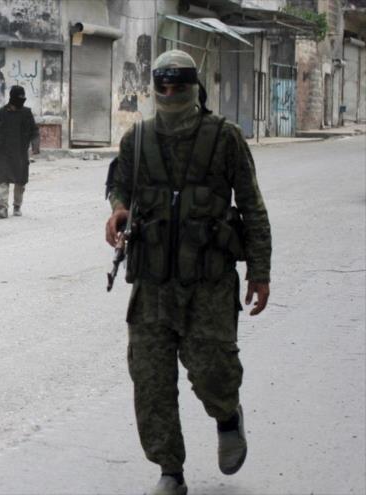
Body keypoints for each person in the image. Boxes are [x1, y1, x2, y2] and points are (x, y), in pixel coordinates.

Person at [104, 50, 272, 495]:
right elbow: (120, 183)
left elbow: (252, 207)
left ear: (196, 87)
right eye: (164, 86)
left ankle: (228, 417)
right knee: (151, 381)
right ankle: (170, 471)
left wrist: (260, 271)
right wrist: (119, 209)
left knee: (213, 373)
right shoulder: (137, 140)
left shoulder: (226, 139)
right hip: (153, 284)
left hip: (209, 285)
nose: (171, 94)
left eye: (180, 85)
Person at [0, 85, 39, 219]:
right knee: (2, 180)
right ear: (12, 98)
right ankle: (3, 208)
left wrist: (35, 146)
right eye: (19, 98)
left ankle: (17, 206)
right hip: (3, 153)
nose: (21, 100)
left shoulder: (26, 113)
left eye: (23, 98)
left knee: (20, 181)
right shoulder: (1, 113)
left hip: (20, 153)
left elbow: (34, 131)